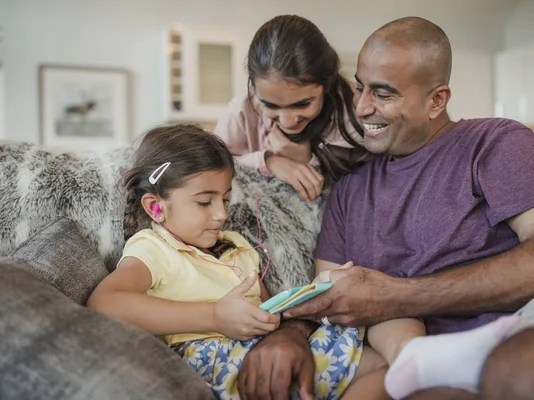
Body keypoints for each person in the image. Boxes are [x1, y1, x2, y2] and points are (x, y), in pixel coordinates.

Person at [238, 17, 534, 400]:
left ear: (436, 100)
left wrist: (395, 295)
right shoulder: (347, 191)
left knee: (532, 372)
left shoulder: (493, 142)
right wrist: (291, 334)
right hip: (422, 357)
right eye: (360, 87)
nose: (361, 108)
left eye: (384, 94)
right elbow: (326, 295)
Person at [86, 124, 388, 400]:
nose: (220, 214)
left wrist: (319, 290)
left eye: (225, 199)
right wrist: (215, 316)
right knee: (382, 372)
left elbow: (274, 314)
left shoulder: (239, 247)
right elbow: (105, 303)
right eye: (205, 202)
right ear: (156, 206)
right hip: (215, 360)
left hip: (266, 346)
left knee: (382, 361)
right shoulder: (154, 249)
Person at [214, 15, 372, 203]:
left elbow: (371, 184)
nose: (288, 121)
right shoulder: (242, 109)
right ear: (254, 88)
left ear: (327, 83)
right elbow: (209, 167)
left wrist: (309, 160)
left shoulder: (360, 111)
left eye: (303, 104)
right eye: (270, 105)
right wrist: (269, 162)